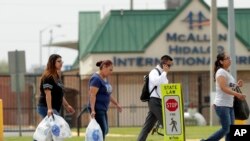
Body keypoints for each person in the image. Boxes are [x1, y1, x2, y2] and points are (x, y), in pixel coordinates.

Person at [200, 52, 245, 141]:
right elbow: (223, 88)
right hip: (222, 105)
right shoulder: (220, 72)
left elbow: (228, 86)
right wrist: (238, 94)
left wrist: (237, 85)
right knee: (226, 129)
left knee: (230, 130)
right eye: (227, 58)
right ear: (221, 61)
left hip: (229, 105)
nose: (230, 60)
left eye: (230, 58)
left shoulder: (227, 72)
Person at [137, 55, 173, 141]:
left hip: (159, 101)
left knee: (147, 127)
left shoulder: (163, 74)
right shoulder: (154, 72)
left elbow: (165, 86)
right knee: (166, 123)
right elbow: (156, 82)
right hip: (154, 101)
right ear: (164, 64)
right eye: (169, 65)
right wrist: (165, 72)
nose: (170, 67)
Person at [88, 59, 122, 140]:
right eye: (110, 69)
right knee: (101, 131)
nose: (111, 72)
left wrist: (116, 104)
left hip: (103, 109)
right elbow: (92, 95)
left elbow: (107, 94)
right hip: (97, 108)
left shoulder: (104, 79)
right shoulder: (96, 79)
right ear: (104, 67)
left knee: (105, 130)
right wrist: (93, 110)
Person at [37, 54, 75, 118]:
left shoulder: (56, 76)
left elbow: (59, 94)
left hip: (54, 108)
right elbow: (48, 93)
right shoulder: (48, 76)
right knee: (57, 126)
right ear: (52, 62)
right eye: (58, 61)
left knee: (54, 127)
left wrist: (67, 105)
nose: (61, 63)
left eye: (61, 61)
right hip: (46, 107)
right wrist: (49, 109)